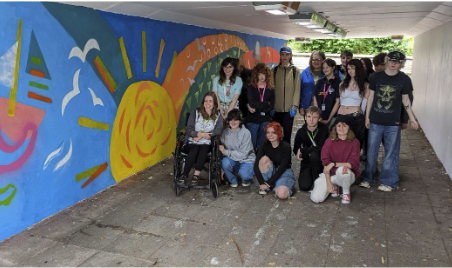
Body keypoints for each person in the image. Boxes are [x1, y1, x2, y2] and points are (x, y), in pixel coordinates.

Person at [360, 50, 419, 192]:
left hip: (393, 123)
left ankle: (388, 181)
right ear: (386, 61)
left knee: (391, 152)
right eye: (392, 60)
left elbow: (406, 99)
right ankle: (368, 178)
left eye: (398, 62)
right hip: (375, 120)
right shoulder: (375, 77)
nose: (394, 64)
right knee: (371, 151)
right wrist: (367, 117)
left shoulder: (404, 79)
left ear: (401, 64)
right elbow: (371, 98)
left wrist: (411, 118)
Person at [310, 116, 360, 204]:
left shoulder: (355, 142)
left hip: (346, 174)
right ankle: (334, 186)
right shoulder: (329, 141)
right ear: (335, 127)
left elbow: (353, 163)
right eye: (339, 125)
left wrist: (334, 164)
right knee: (316, 198)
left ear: (349, 128)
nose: (341, 128)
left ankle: (346, 192)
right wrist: (329, 183)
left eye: (344, 126)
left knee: (342, 170)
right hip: (331, 175)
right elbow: (326, 164)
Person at [178, 92, 224, 186]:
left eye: (210, 101)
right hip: (192, 141)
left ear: (214, 103)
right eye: (206, 101)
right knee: (195, 149)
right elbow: (189, 129)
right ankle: (185, 175)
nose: (208, 103)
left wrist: (207, 136)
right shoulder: (195, 112)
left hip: (207, 142)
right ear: (203, 103)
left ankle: (196, 175)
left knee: (203, 149)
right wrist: (199, 134)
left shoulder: (218, 116)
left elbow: (218, 130)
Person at [254, 122, 295, 199]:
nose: (270, 135)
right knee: (263, 160)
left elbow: (282, 168)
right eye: (268, 132)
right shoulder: (264, 145)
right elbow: (256, 165)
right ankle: (270, 186)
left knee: (281, 195)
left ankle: (278, 185)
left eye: (273, 132)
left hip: (284, 172)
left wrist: (269, 183)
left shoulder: (286, 147)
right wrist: (261, 183)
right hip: (271, 171)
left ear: (279, 133)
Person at [293, 106, 329, 191]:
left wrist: (303, 150)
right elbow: (296, 149)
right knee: (304, 187)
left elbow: (321, 147)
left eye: (314, 117)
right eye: (309, 117)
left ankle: (318, 177)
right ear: (305, 117)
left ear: (319, 119)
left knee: (314, 154)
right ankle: (309, 177)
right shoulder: (301, 131)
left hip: (319, 161)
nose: (311, 120)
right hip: (307, 161)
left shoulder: (323, 129)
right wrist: (301, 153)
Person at [337, 59, 369, 150]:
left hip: (355, 116)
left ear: (358, 69)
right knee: (339, 142)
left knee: (355, 143)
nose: (350, 71)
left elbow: (364, 104)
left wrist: (362, 118)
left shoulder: (365, 85)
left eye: (353, 68)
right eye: (348, 69)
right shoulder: (342, 84)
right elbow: (340, 100)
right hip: (341, 115)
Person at [272, 46, 301, 144]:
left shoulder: (295, 71)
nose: (284, 57)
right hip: (276, 109)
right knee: (275, 135)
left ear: (291, 56)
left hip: (289, 110)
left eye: (287, 54)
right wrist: (272, 106)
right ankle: (276, 158)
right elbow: (271, 89)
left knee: (287, 136)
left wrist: (294, 106)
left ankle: (286, 158)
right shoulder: (274, 70)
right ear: (280, 56)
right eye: (282, 54)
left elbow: (297, 89)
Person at [220, 109, 255, 187]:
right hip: (232, 159)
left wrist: (226, 152)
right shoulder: (225, 132)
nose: (233, 122)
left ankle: (246, 178)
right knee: (225, 162)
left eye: (236, 120)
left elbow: (243, 154)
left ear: (240, 121)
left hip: (246, 159)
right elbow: (221, 152)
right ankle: (233, 180)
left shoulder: (246, 133)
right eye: (231, 120)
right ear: (228, 121)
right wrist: (222, 169)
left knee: (245, 175)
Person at [246, 63, 275, 152]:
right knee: (252, 142)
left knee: (262, 143)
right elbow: (251, 102)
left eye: (264, 74)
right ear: (256, 75)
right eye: (259, 74)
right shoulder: (251, 87)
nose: (262, 77)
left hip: (265, 118)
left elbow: (272, 106)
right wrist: (266, 103)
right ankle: (251, 161)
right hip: (253, 118)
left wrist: (258, 107)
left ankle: (260, 159)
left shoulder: (270, 88)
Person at [312, 58, 341, 129]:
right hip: (320, 116)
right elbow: (315, 98)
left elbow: (338, 102)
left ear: (333, 67)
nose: (325, 69)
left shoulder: (338, 82)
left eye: (327, 67)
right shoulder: (320, 82)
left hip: (332, 116)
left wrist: (329, 119)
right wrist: (318, 115)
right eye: (323, 68)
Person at [299, 50, 326, 117]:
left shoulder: (327, 73)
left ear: (323, 60)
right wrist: (300, 106)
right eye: (314, 60)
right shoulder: (304, 73)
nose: (316, 62)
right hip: (307, 106)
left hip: (323, 106)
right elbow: (299, 91)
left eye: (318, 59)